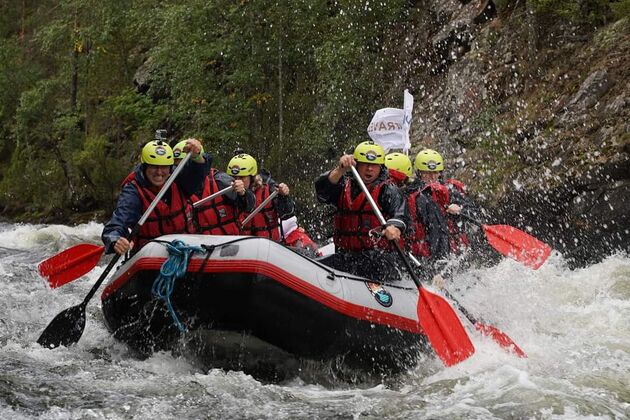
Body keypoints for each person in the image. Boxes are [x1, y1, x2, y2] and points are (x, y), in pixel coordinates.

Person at [314, 140, 410, 282]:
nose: (369, 169)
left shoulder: (388, 189)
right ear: (356, 165)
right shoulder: (343, 185)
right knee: (321, 266)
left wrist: (395, 227)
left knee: (368, 263)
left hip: (379, 259)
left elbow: (401, 214)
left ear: (381, 167)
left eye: (374, 165)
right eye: (365, 164)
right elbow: (323, 193)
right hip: (346, 255)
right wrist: (340, 168)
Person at [102, 138, 208, 255]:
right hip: (151, 255)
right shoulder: (133, 191)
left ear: (170, 167)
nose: (159, 172)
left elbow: (198, 173)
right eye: (154, 166)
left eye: (164, 167)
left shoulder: (179, 178)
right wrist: (115, 240)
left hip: (186, 249)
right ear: (145, 167)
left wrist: (197, 156)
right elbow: (118, 222)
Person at [172, 141, 255, 235]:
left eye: (183, 166)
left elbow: (249, 206)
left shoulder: (221, 181)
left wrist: (243, 194)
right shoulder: (175, 188)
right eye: (175, 167)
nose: (178, 172)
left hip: (228, 244)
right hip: (198, 246)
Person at [413, 149, 480, 254]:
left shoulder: (450, 191)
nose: (432, 177)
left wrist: (460, 210)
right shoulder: (411, 193)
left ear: (440, 173)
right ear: (419, 173)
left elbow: (474, 212)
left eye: (435, 172)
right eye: (427, 172)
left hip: (451, 249)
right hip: (424, 250)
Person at [227, 153, 295, 241]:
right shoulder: (227, 193)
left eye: (242, 177)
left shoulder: (269, 189)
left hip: (269, 246)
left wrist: (284, 197)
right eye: (234, 177)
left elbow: (287, 213)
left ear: (252, 177)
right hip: (242, 247)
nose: (237, 181)